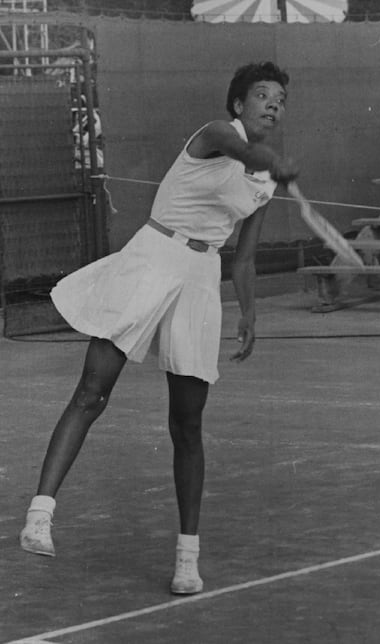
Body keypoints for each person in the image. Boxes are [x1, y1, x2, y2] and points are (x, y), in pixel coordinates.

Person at [20, 61, 298, 595]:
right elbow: (250, 154)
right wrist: (275, 164)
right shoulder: (217, 135)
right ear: (238, 105)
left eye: (281, 99)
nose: (273, 104)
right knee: (91, 392)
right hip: (152, 258)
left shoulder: (266, 181)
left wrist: (248, 311)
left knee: (187, 424)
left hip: (199, 279)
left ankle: (187, 559)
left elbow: (244, 258)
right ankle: (40, 515)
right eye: (262, 95)